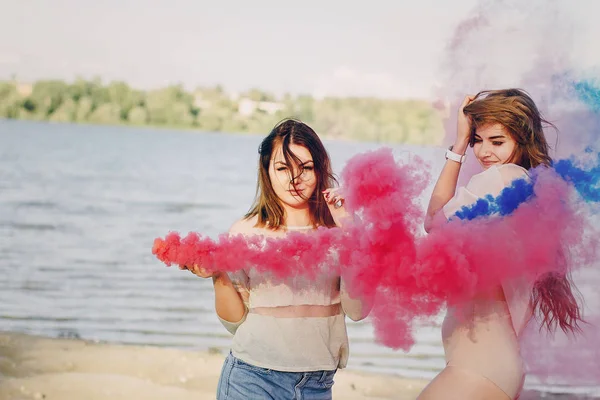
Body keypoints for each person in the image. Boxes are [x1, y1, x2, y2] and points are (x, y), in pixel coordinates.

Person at [182, 118, 370, 400]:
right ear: (267, 170)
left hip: (317, 385)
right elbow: (235, 321)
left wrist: (351, 231)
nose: (294, 180)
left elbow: (357, 311)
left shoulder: (341, 229)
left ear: (320, 169)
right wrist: (218, 275)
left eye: (306, 168)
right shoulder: (246, 231)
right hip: (252, 379)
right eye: (282, 168)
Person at [419, 89, 583, 400]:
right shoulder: (523, 188)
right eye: (476, 140)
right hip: (487, 364)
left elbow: (432, 222)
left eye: (497, 142)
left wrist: (458, 146)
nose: (483, 152)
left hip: (480, 366)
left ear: (522, 141)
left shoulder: (500, 179)